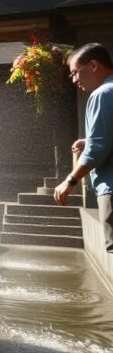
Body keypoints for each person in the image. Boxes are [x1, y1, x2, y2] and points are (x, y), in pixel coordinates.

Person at [55, 43, 113, 251]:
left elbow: (97, 150)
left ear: (94, 65)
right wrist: (89, 140)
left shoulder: (102, 94)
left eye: (75, 72)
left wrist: (70, 181)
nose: (74, 79)